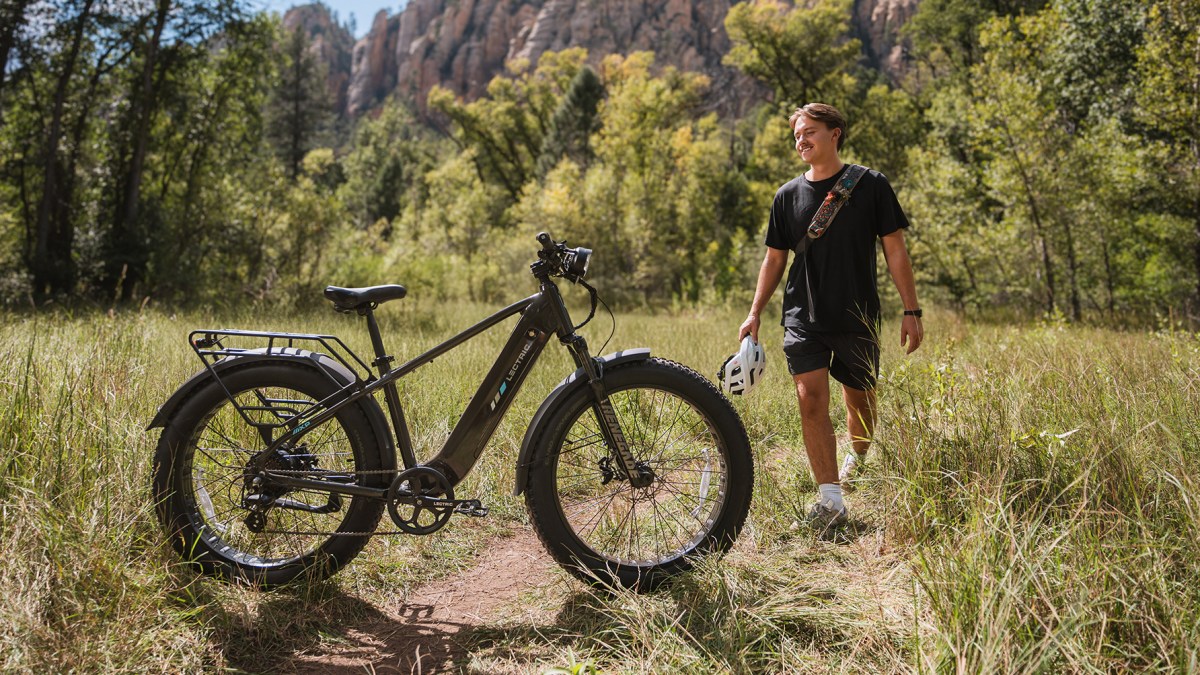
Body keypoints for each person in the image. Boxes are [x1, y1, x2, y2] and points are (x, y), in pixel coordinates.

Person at [738, 102, 923, 538]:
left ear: (835, 132)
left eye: (810, 132)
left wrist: (911, 310)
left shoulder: (871, 185)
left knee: (859, 398)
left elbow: (895, 250)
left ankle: (857, 456)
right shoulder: (786, 196)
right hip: (803, 315)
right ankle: (831, 499)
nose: (802, 141)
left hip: (857, 312)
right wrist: (754, 312)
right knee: (810, 398)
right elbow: (774, 258)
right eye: (797, 136)